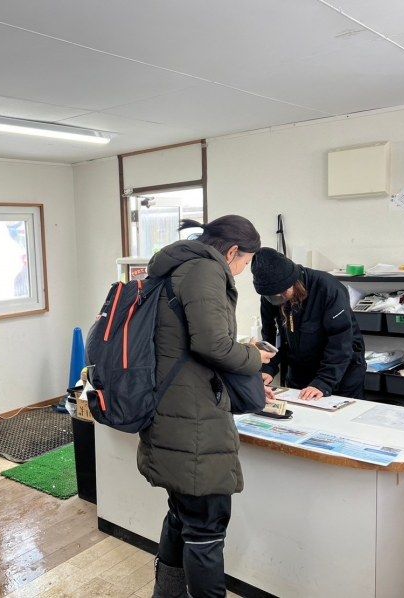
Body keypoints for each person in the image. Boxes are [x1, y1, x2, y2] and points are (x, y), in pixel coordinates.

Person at [137, 216, 274, 598]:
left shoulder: (179, 266)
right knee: (207, 528)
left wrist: (242, 374)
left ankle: (167, 595)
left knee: (183, 517)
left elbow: (190, 350)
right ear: (232, 252)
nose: (244, 271)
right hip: (193, 422)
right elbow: (211, 345)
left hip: (175, 410)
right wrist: (253, 359)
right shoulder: (204, 272)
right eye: (245, 262)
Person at [251, 248, 366, 400]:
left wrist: (323, 382)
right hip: (300, 369)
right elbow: (270, 335)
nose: (279, 299)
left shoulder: (328, 289)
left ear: (294, 281)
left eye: (283, 293)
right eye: (273, 297)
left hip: (340, 371)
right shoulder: (270, 295)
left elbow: (341, 342)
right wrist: (268, 368)